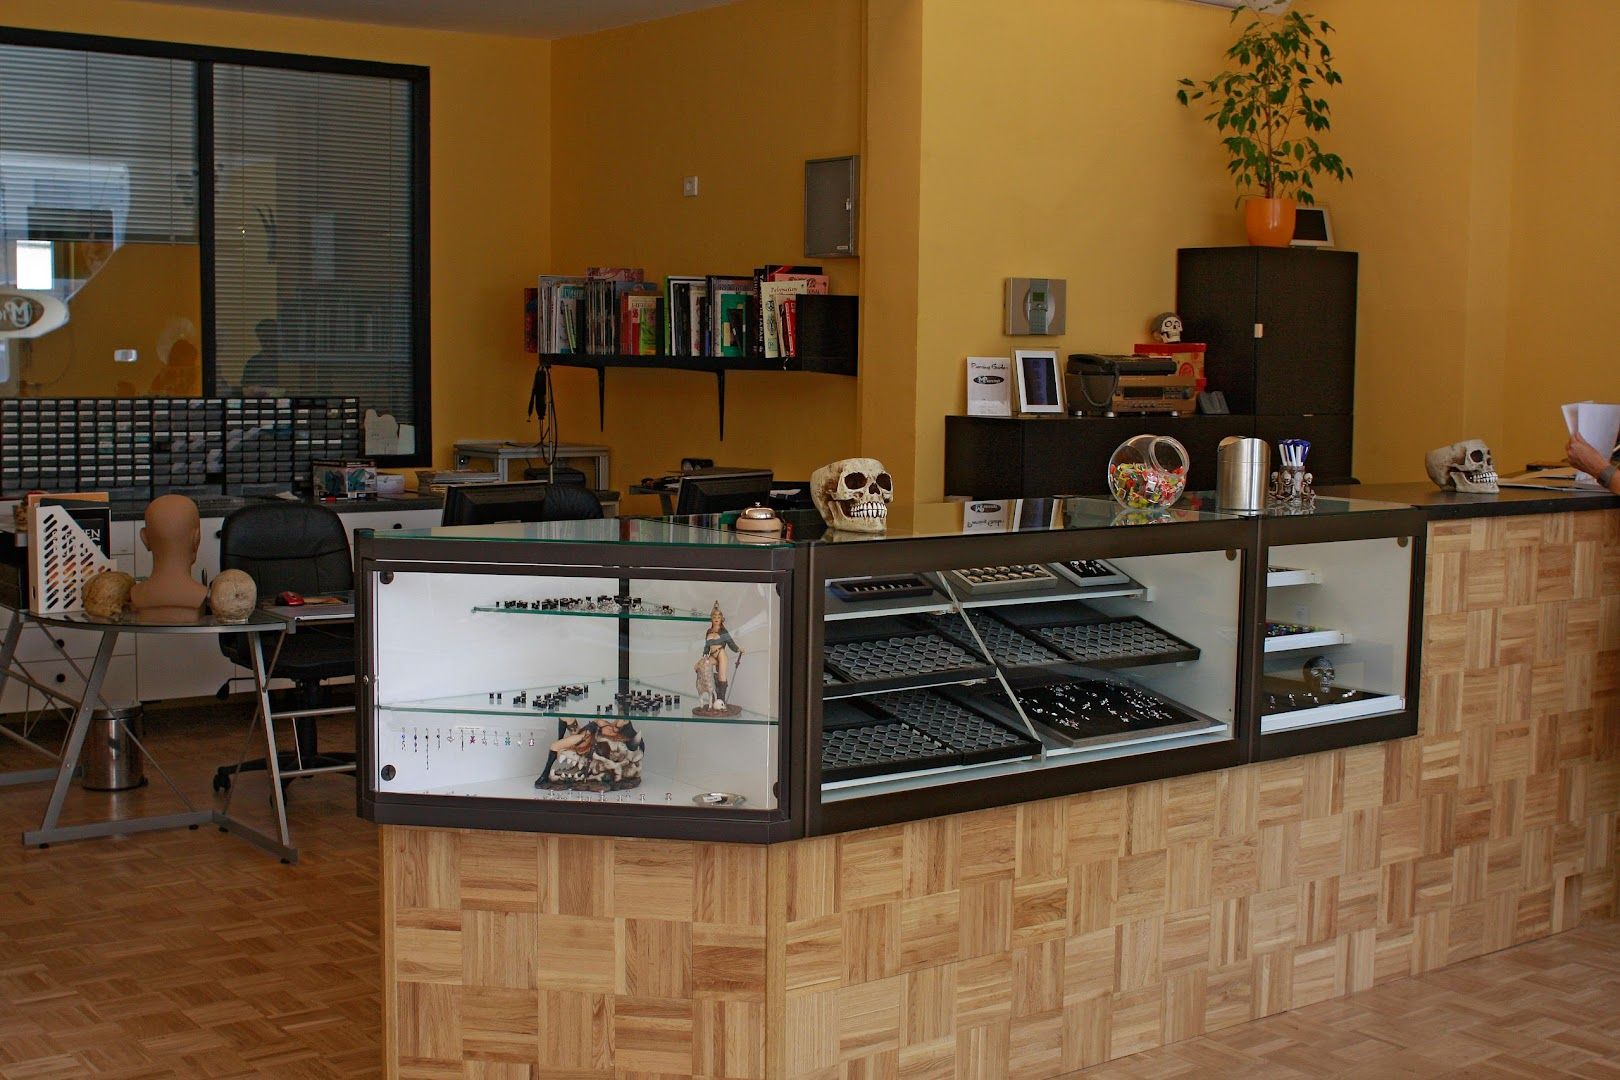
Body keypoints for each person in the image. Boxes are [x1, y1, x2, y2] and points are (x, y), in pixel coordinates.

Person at [693, 602, 744, 714]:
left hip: (721, 654)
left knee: (722, 676)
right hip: (712, 655)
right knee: (700, 666)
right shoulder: (709, 631)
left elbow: (730, 643)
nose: (716, 619)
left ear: (721, 619)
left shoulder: (723, 632)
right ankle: (711, 690)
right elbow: (706, 646)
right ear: (711, 619)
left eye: (718, 617)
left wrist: (738, 649)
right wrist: (704, 656)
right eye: (714, 617)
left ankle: (721, 700)